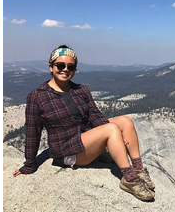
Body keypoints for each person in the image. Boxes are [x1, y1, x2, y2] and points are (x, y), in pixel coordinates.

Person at [12, 45, 155, 201]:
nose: (65, 69)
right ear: (51, 67)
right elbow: (33, 132)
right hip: (67, 152)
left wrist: (115, 137)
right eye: (60, 65)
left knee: (124, 121)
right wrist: (29, 164)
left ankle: (138, 169)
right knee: (111, 129)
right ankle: (129, 179)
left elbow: (95, 115)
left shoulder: (81, 90)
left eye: (70, 67)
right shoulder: (37, 97)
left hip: (85, 141)